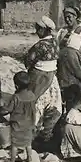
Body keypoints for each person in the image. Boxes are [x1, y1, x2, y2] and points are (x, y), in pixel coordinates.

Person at [24, 16, 62, 145]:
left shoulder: (39, 46)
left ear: (45, 30)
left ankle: (32, 136)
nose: (36, 32)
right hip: (52, 78)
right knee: (52, 105)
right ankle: (46, 134)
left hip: (39, 77)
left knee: (35, 104)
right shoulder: (55, 42)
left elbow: (28, 61)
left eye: (38, 29)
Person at [0, 71, 36, 162]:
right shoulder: (32, 95)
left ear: (16, 86)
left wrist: (2, 107)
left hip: (17, 124)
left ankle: (12, 160)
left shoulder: (16, 97)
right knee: (28, 143)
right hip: (29, 123)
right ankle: (29, 159)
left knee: (15, 144)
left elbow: (9, 109)